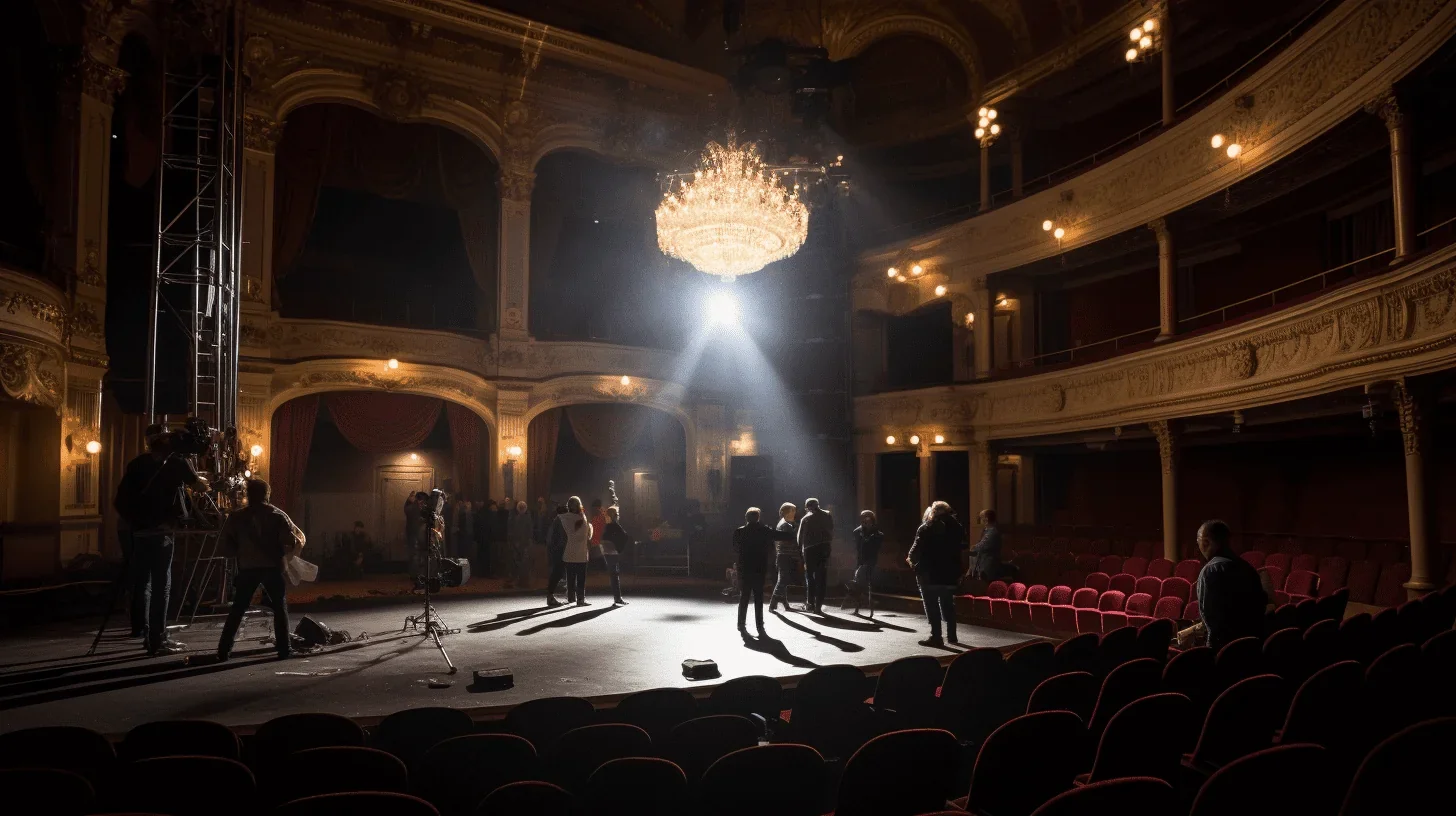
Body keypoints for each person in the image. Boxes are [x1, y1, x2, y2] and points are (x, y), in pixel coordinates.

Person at [114, 423, 209, 656]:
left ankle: (144, 632)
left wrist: (137, 522)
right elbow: (198, 487)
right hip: (162, 532)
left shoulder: (137, 463)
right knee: (161, 586)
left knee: (142, 583)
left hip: (138, 531)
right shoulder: (176, 462)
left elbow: (120, 499)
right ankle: (158, 638)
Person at [216, 479, 305, 661]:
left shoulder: (236, 518)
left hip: (247, 568)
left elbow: (226, 548)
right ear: (267, 494)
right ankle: (284, 649)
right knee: (279, 607)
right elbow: (291, 541)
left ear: (248, 495)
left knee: (238, 609)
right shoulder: (277, 516)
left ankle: (224, 650)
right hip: (272, 568)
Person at [1186, 520, 1268, 651]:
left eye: (1198, 541)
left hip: (1225, 649)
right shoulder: (1248, 568)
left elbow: (1210, 618)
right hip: (1251, 645)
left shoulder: (1210, 571)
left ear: (1205, 542)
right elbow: (1260, 605)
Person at [907, 501, 968, 647]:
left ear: (933, 512)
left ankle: (936, 637)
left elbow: (915, 551)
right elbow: (962, 547)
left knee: (932, 605)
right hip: (950, 573)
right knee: (948, 604)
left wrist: (914, 565)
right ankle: (952, 636)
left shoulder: (926, 528)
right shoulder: (957, 528)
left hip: (929, 573)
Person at [732, 506, 777, 635]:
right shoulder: (764, 531)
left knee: (744, 597)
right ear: (758, 518)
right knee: (759, 597)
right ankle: (759, 624)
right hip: (759, 567)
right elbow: (770, 548)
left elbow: (735, 549)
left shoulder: (739, 531)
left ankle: (741, 623)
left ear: (746, 518)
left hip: (744, 567)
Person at [550, 496, 593, 606]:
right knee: (581, 578)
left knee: (570, 577)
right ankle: (580, 599)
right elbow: (588, 535)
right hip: (582, 553)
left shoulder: (563, 518)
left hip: (569, 552)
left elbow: (557, 532)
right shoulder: (583, 518)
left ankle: (570, 597)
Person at [843, 510, 884, 614]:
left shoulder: (877, 534)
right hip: (860, 560)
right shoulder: (857, 532)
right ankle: (861, 598)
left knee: (861, 577)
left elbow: (876, 546)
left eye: (867, 517)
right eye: (863, 518)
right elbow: (857, 545)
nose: (864, 520)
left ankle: (860, 597)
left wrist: (869, 532)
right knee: (859, 578)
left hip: (871, 561)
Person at [797, 498, 834, 613]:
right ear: (818, 505)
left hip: (809, 550)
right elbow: (831, 529)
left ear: (807, 507)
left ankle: (810, 603)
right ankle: (819, 605)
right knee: (821, 577)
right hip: (824, 548)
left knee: (810, 577)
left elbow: (799, 538)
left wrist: (800, 551)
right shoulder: (828, 515)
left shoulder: (806, 518)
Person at [769, 503, 799, 612]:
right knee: (783, 580)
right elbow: (793, 539)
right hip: (785, 555)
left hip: (782, 555)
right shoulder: (786, 525)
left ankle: (784, 603)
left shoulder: (782, 523)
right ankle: (773, 603)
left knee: (783, 579)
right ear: (787, 512)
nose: (795, 513)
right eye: (793, 511)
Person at [600, 506, 631, 605]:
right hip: (612, 551)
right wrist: (619, 548)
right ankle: (617, 598)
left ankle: (617, 597)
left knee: (613, 574)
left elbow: (603, 538)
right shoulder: (614, 525)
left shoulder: (607, 525)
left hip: (606, 551)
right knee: (614, 575)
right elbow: (625, 536)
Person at [969, 509, 1003, 582]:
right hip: (982, 564)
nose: (979, 520)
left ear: (986, 519)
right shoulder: (986, 531)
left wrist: (973, 548)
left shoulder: (992, 532)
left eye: (981, 517)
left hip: (988, 566)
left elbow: (981, 546)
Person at [507, 500, 533, 588]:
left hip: (518, 544)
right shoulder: (528, 518)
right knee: (524, 563)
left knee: (518, 562)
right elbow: (530, 532)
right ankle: (523, 581)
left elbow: (513, 532)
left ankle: (520, 580)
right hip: (524, 543)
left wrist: (515, 542)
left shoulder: (516, 518)